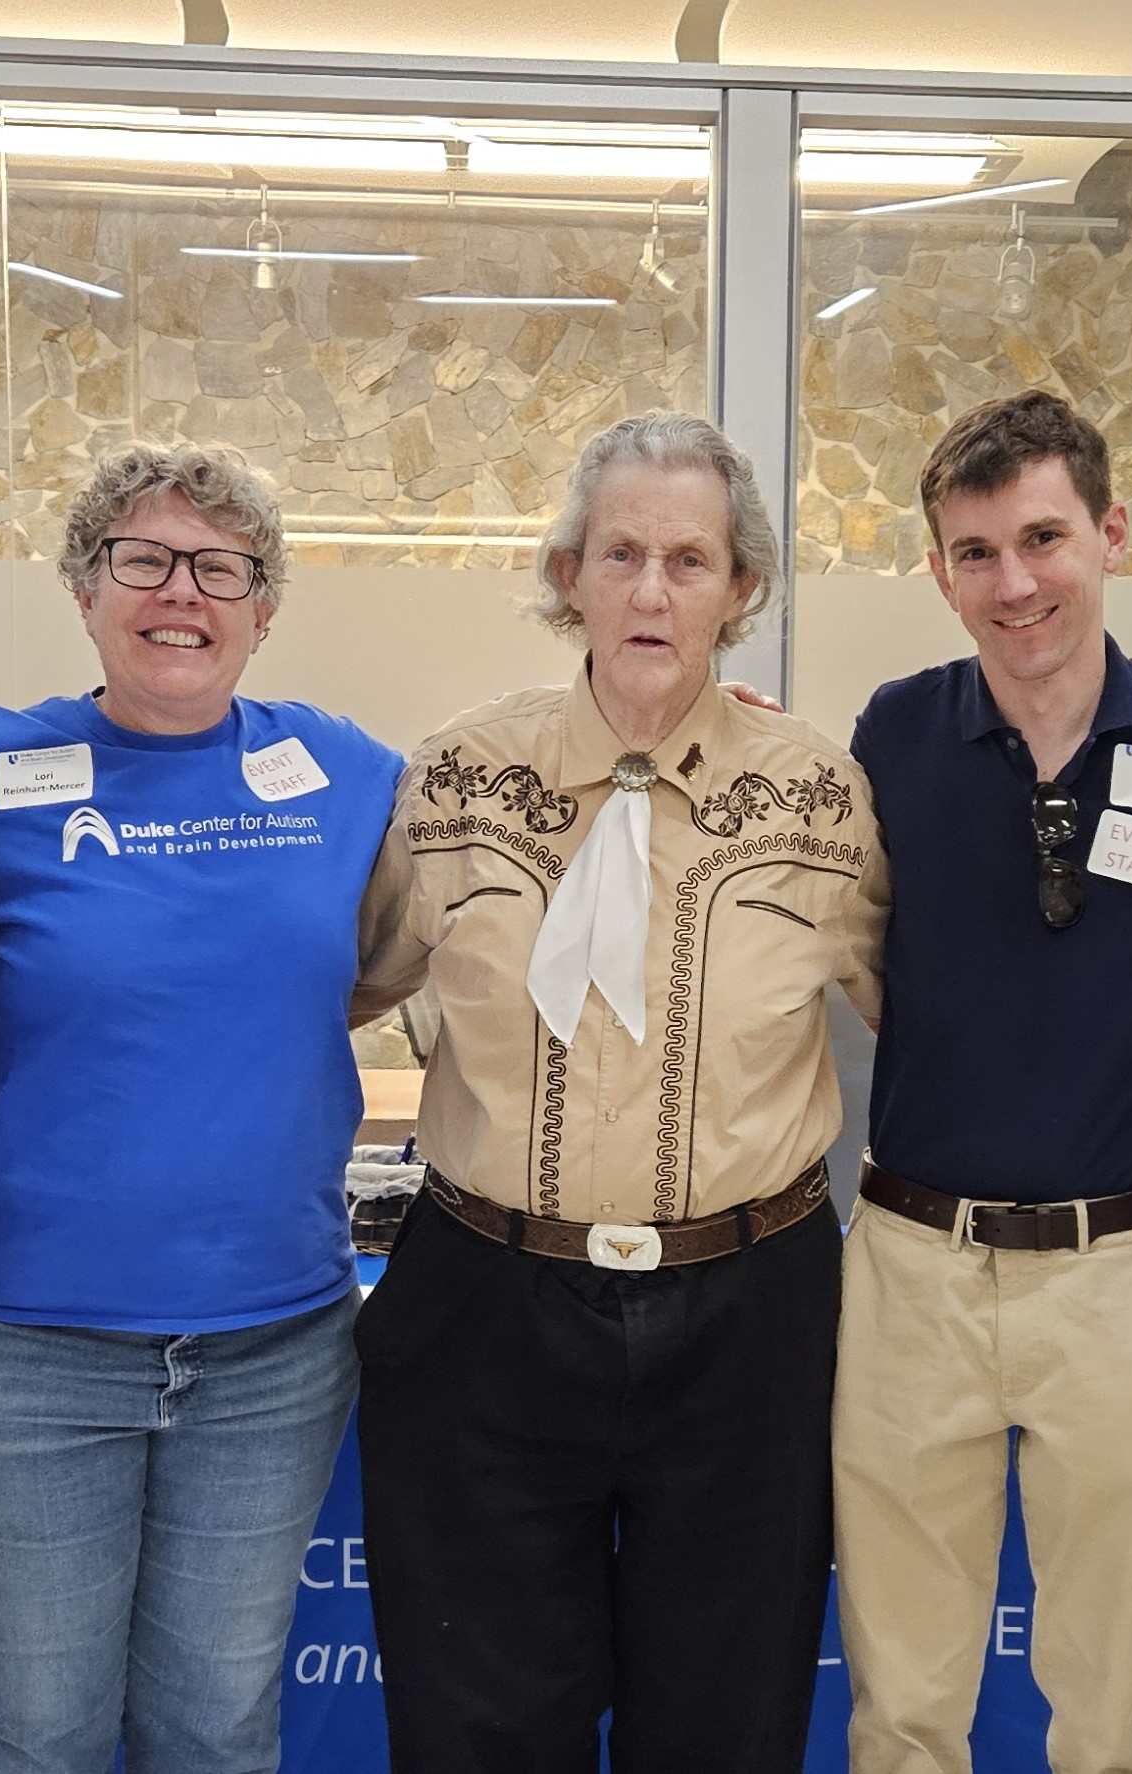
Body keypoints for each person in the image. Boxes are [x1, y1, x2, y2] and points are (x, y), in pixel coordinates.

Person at [351, 410, 888, 1774]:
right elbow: (331, 985)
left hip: (747, 1321)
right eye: (622, 554)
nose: (653, 591)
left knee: (724, 1721)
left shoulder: (823, 799)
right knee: (478, 1728)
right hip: (486, 1308)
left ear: (742, 591)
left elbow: (948, 1014)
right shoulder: (457, 778)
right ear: (569, 573)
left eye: (690, 562)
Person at [0, 445, 402, 1774]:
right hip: (13, 1349)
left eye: (219, 567)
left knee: (216, 1733)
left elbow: (523, 827)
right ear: (84, 586)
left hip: (270, 1350)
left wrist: (681, 716)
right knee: (35, 1737)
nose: (182, 591)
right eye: (143, 557)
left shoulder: (342, 771)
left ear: (264, 606)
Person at [835, 388, 1132, 1774]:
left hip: (1119, 1272)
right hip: (910, 1266)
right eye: (973, 552)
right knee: (904, 1692)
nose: (1012, 584)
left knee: (1117, 1686)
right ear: (940, 570)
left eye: (1041, 538)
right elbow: (842, 940)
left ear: (1109, 533)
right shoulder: (892, 735)